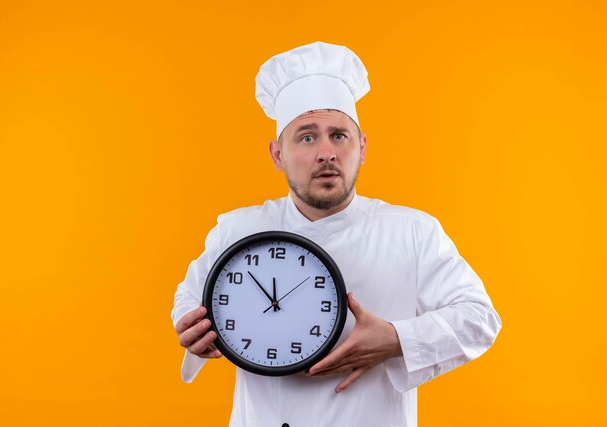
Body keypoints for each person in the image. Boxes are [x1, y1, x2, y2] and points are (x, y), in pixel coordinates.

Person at [171, 41, 502, 427]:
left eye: (339, 135)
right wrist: (192, 326)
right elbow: (189, 296)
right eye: (307, 137)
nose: (326, 152)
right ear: (278, 154)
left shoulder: (413, 231)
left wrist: (395, 339)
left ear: (361, 147)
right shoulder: (238, 228)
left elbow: (480, 319)